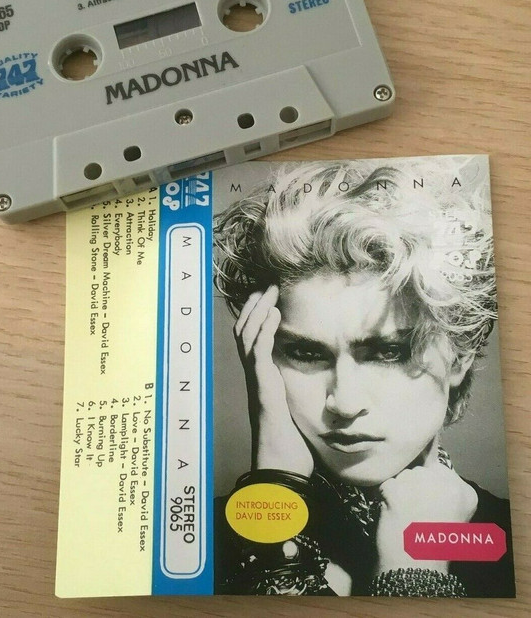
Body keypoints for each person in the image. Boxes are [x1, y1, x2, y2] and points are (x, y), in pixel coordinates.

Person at [212, 159, 515, 597]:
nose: (344, 402)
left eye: (388, 352)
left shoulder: (513, 542)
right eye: (305, 353)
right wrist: (276, 498)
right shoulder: (205, 545)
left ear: (460, 355)